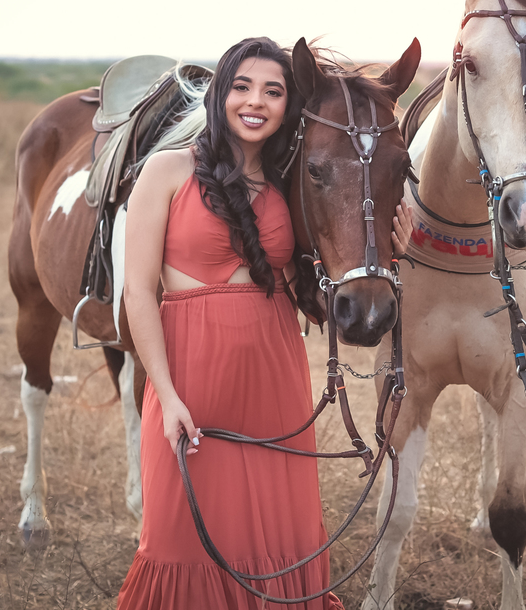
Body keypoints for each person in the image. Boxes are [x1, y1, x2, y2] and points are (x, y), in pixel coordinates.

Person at [116, 37, 413, 609]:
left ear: (288, 103)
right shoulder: (166, 171)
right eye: (243, 87)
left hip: (273, 380)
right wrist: (167, 394)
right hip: (192, 380)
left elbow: (322, 281)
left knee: (280, 540)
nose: (256, 102)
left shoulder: (286, 182)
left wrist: (389, 252)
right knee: (181, 543)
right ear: (220, 92)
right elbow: (138, 294)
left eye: (273, 91)